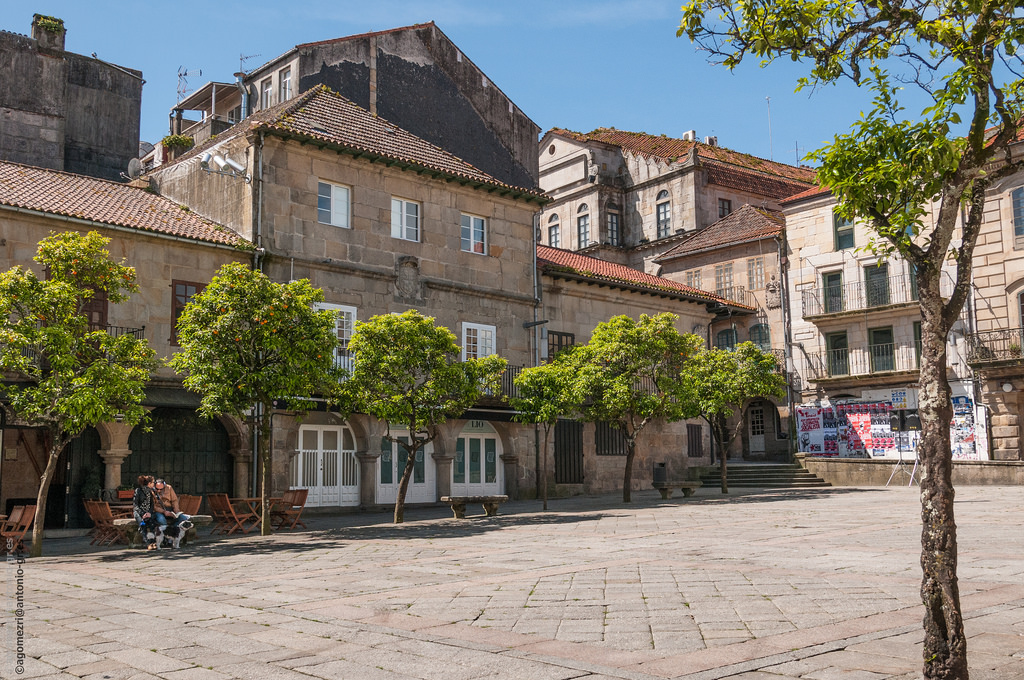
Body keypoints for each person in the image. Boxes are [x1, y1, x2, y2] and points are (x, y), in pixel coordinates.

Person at [132, 475, 159, 550]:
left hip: (148, 513)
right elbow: (135, 504)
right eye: (153, 482)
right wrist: (142, 513)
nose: (154, 484)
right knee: (143, 524)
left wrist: (149, 512)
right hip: (139, 513)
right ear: (149, 483)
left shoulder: (151, 492)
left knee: (152, 524)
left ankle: (153, 542)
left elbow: (152, 504)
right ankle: (148, 543)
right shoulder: (138, 490)